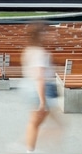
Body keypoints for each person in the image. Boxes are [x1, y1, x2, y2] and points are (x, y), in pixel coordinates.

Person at [20, 21, 61, 153]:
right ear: (39, 34)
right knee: (50, 125)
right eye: (45, 32)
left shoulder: (29, 50)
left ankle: (27, 146)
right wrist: (42, 101)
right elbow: (39, 77)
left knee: (36, 123)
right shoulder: (39, 53)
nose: (48, 34)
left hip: (30, 88)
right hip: (40, 90)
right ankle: (26, 146)